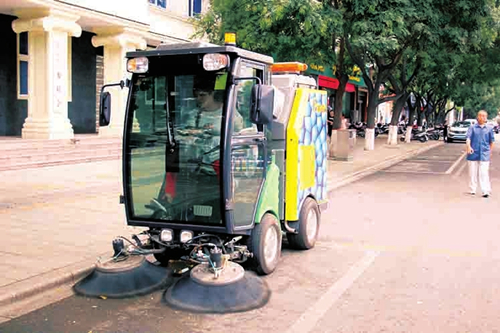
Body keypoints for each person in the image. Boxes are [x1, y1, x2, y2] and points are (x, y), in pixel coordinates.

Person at [466, 110, 495, 198]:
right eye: (480, 115)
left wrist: (490, 151)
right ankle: (472, 189)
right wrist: (468, 147)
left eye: (484, 116)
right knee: (472, 172)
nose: (482, 117)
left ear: (486, 118)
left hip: (485, 153)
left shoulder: (489, 128)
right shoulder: (472, 127)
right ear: (477, 117)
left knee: (484, 173)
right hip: (473, 153)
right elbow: (468, 138)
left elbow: (491, 141)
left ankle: (485, 190)